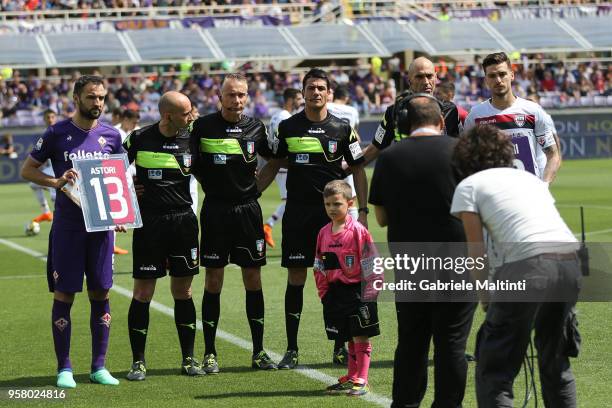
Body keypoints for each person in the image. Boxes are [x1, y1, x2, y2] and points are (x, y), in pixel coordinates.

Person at [451, 125, 580, 408]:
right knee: (556, 362)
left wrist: (486, 298)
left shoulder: (468, 187)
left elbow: (476, 250)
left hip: (528, 266)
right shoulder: (529, 180)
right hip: (570, 262)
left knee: (494, 370)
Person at [368, 94, 476, 407]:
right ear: (442, 123)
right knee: (452, 345)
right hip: (457, 263)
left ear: (405, 124)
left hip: (411, 264)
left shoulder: (390, 157)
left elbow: (382, 217)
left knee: (412, 344)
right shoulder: (461, 151)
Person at [257, 68, 368, 369]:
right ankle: (292, 350)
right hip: (297, 215)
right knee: (296, 279)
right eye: (311, 87)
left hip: (332, 220)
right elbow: (274, 163)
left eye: (321, 88)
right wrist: (249, 194)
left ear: (329, 93)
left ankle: (340, 347)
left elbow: (358, 169)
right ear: (303, 92)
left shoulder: (344, 129)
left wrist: (364, 212)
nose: (316, 92)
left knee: (338, 282)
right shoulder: (288, 127)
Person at [21, 75, 124, 388]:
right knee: (65, 293)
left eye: (101, 98)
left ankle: (98, 366)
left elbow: (118, 179)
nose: (97, 103)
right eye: (92, 97)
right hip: (68, 227)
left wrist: (120, 212)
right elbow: (28, 169)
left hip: (102, 227)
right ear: (77, 98)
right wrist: (56, 182)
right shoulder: (57, 132)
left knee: (101, 291)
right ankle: (64, 368)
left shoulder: (112, 136)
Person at [190, 73, 277, 373]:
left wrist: (258, 189)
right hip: (215, 211)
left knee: (253, 279)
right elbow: (188, 162)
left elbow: (275, 160)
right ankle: (210, 353)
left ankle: (259, 352)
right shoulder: (202, 127)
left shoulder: (256, 127)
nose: (236, 100)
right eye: (231, 94)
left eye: (241, 95)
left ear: (247, 96)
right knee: (213, 280)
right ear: (220, 96)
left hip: (248, 211)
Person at [123, 91, 205, 381]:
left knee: (183, 292)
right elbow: (111, 170)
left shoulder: (194, 139)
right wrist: (128, 187)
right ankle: (138, 362)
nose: (191, 116)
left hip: (183, 222)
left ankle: (189, 359)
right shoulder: (139, 138)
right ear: (168, 115)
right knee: (143, 293)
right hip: (149, 224)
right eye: (186, 113)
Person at [315, 180, 380, 397]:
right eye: (327, 204)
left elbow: (371, 261)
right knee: (348, 335)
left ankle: (362, 378)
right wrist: (323, 292)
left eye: (337, 204)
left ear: (349, 203)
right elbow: (318, 264)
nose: (332, 209)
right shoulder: (323, 232)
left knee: (361, 334)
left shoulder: (357, 231)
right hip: (335, 293)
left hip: (358, 291)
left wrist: (371, 291)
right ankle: (352, 376)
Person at [463, 52, 561, 184]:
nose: (498, 80)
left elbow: (553, 154)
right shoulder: (475, 116)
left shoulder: (533, 111)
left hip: (528, 193)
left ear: (512, 75)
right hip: (493, 196)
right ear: (486, 80)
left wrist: (544, 185)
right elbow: (466, 158)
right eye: (492, 76)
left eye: (502, 74)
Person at [362, 57, 461, 165]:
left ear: (436, 77)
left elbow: (459, 149)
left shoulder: (450, 110)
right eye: (419, 77)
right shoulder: (394, 111)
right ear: (409, 80)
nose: (426, 82)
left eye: (429, 76)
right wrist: (344, 169)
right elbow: (373, 150)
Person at [326, 84, 362, 364]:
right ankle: (342, 344)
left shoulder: (340, 121)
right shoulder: (351, 112)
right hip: (342, 194)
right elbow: (357, 156)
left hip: (338, 196)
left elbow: (356, 156)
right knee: (341, 275)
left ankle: (346, 344)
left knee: (341, 277)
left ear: (330, 94)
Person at [263, 88, 304, 249]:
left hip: (280, 163)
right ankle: (275, 229)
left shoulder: (276, 116)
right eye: (298, 98)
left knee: (291, 202)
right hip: (284, 163)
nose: (301, 101)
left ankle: (269, 226)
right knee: (294, 202)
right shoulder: (285, 118)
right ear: (289, 100)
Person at [28, 109, 57, 224]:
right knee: (33, 184)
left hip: (59, 168)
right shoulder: (46, 134)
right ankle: (46, 212)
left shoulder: (60, 132)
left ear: (56, 118)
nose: (50, 120)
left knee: (55, 195)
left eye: (52, 117)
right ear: (44, 119)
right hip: (51, 168)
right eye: (48, 117)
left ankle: (60, 220)